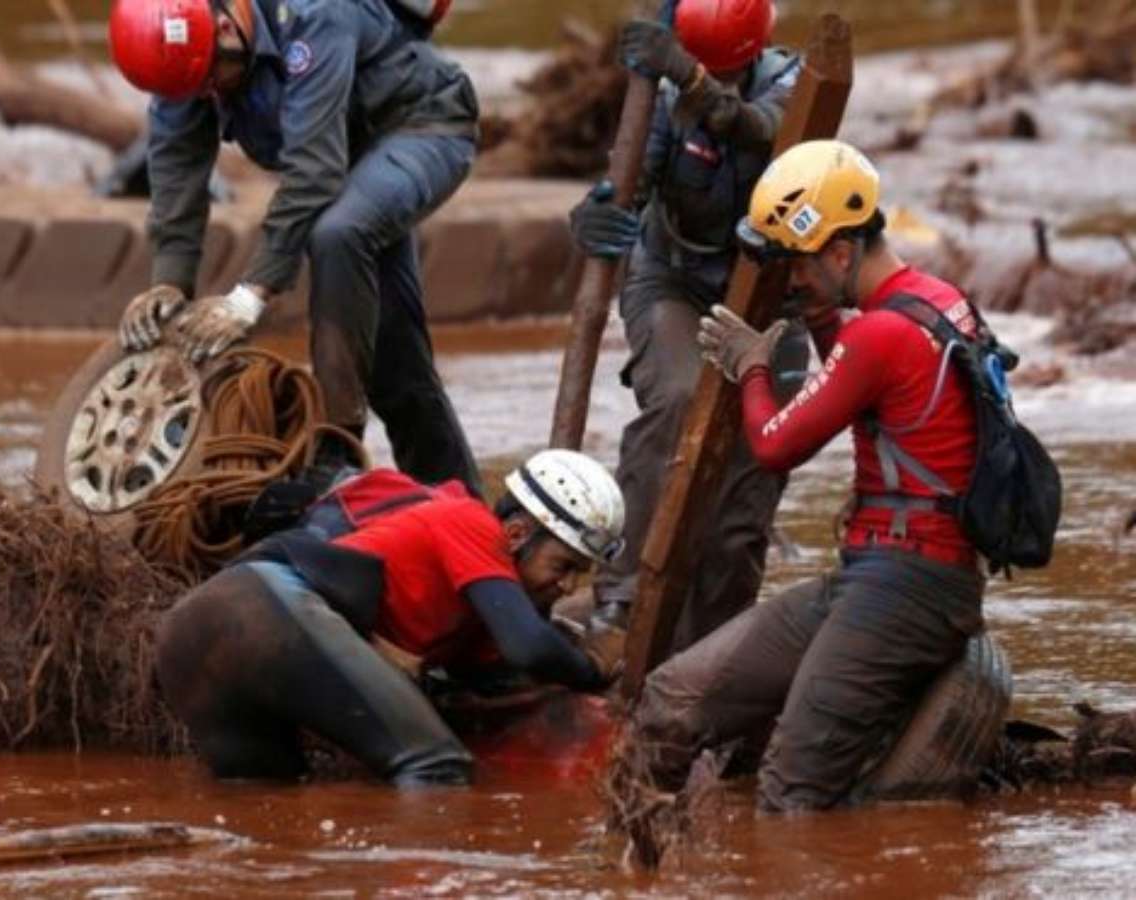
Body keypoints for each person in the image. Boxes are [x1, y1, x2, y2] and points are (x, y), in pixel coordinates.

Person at [629, 139, 986, 812]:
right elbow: (873, 395)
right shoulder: (938, 302)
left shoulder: (879, 335)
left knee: (789, 790)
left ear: (841, 253)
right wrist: (821, 324)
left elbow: (774, 445)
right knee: (669, 702)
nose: (790, 282)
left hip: (905, 586)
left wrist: (752, 366)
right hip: (883, 574)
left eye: (797, 263)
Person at [107, 0, 482, 492]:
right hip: (349, 164)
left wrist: (249, 296)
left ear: (228, 28)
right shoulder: (185, 62)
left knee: (336, 233)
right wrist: (169, 284)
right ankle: (463, 508)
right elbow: (176, 169)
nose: (209, 97)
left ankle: (335, 448)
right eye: (195, 93)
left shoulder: (314, 16)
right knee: (395, 364)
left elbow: (313, 172)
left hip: (421, 128)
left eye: (214, 83)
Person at [155, 449, 628, 787]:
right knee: (437, 767)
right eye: (563, 566)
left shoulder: (477, 621)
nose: (569, 587)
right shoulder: (472, 523)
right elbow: (529, 646)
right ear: (518, 533)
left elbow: (500, 676)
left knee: (270, 799)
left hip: (191, 633)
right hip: (259, 602)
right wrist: (593, 665)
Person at [568, 0, 809, 650]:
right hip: (673, 278)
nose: (711, 78)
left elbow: (761, 130)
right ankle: (620, 599)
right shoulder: (661, 95)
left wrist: (694, 79)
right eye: (702, 68)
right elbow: (632, 179)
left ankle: (713, 643)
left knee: (753, 461)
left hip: (772, 296)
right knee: (676, 400)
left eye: (721, 70)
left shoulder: (795, 86)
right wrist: (593, 214)